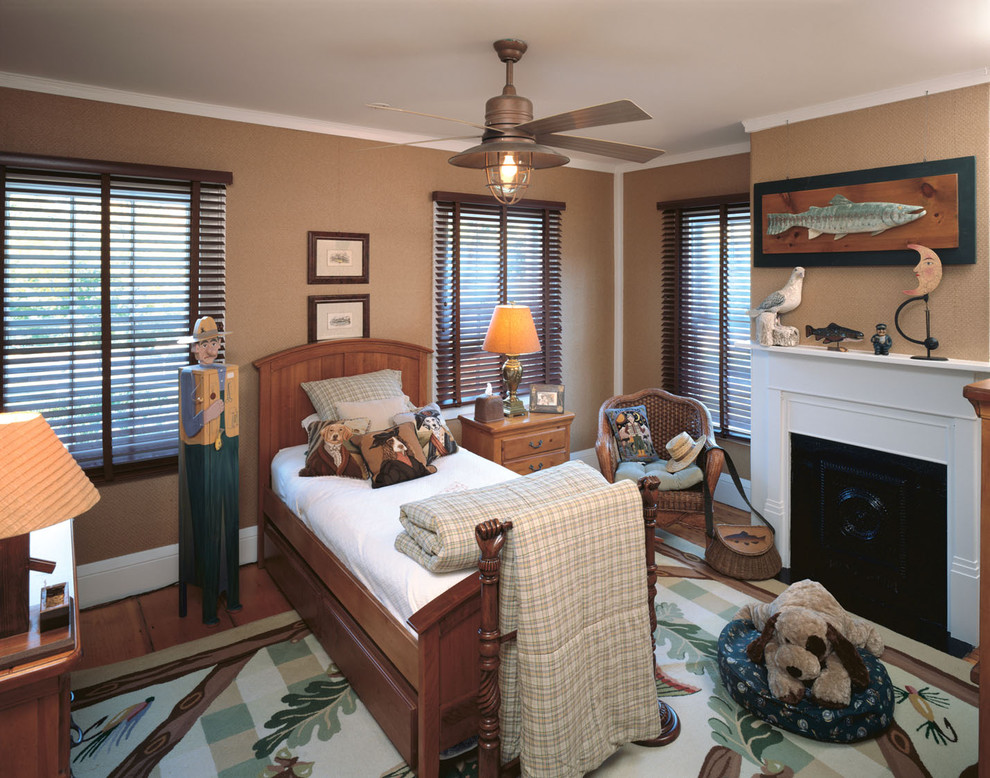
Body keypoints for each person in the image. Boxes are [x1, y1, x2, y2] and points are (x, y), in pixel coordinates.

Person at [178, 316, 241, 625]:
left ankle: (231, 590)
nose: (212, 348)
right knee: (205, 520)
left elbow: (233, 414)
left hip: (227, 451)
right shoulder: (190, 377)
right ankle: (208, 598)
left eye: (215, 342)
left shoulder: (227, 373)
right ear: (195, 350)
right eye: (205, 343)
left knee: (229, 517)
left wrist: (226, 419)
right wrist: (208, 414)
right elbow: (189, 426)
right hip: (201, 453)